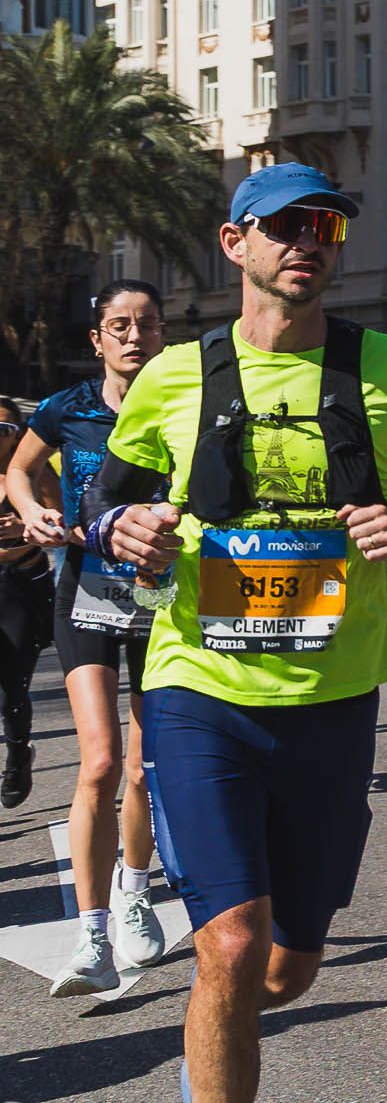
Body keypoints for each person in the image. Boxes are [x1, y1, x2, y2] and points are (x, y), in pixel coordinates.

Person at [84, 163, 387, 1103]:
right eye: (285, 226)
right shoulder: (175, 375)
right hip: (199, 690)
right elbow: (105, 509)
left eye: (326, 226)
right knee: (228, 944)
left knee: (285, 966)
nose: (308, 240)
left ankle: (223, 1020)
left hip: (334, 703)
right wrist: (127, 532)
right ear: (236, 243)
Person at [4, 277, 172, 994]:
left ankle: (136, 892)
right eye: (121, 325)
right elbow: (18, 469)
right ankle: (93, 934)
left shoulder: (183, 404)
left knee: (143, 768)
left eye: (147, 324)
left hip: (162, 595)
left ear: (163, 335)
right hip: (85, 591)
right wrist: (34, 513)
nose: (135, 336)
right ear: (97, 339)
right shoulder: (65, 409)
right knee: (100, 762)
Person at [0, 400, 43, 805]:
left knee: (10, 690)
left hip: (18, 589)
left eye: (5, 428)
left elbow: (63, 525)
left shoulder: (31, 476)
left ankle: (17, 752)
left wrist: (27, 526)